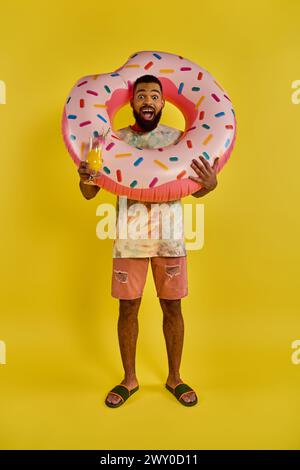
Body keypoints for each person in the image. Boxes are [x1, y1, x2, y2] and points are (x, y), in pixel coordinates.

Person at [78, 75, 219, 408]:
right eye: (141, 95)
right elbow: (89, 192)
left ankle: (175, 378)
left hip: (170, 241)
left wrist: (211, 184)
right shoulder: (113, 141)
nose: (147, 101)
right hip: (129, 241)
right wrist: (84, 177)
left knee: (173, 307)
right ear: (131, 103)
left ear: (163, 103)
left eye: (154, 96)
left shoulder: (179, 140)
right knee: (128, 308)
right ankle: (129, 380)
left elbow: (197, 188)